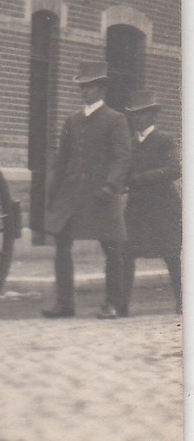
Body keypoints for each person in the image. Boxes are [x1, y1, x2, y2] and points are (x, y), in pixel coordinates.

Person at [43, 61, 134, 319]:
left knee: (112, 247)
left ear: (101, 90)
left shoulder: (115, 119)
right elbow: (62, 159)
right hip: (71, 196)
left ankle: (112, 304)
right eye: (81, 87)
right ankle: (65, 304)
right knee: (62, 245)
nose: (84, 92)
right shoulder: (72, 121)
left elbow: (122, 158)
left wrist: (111, 186)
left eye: (90, 87)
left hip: (101, 195)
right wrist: (53, 189)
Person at [120, 89, 181, 316]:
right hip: (137, 208)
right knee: (126, 253)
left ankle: (182, 300)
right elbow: (122, 169)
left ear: (154, 116)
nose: (137, 119)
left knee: (172, 254)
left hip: (163, 207)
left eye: (142, 114)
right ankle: (122, 305)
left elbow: (175, 169)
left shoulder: (165, 141)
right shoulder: (129, 143)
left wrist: (141, 179)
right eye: (134, 115)